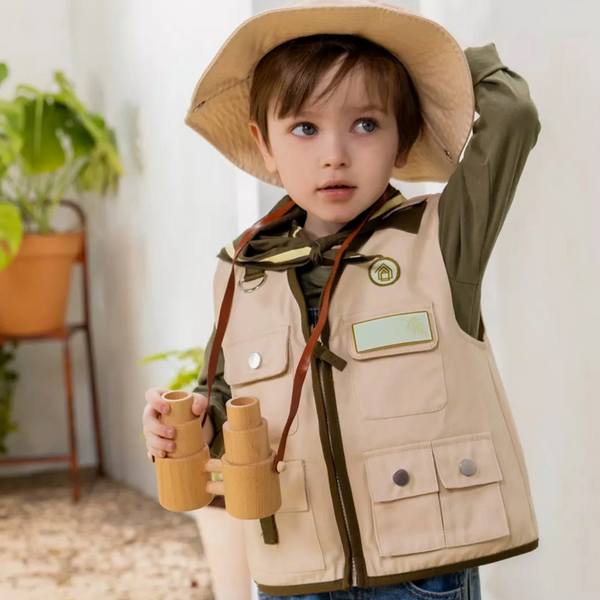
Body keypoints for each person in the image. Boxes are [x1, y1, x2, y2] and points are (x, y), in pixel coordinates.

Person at [142, 1, 541, 598]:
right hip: (297, 572)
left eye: (366, 124)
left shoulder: (441, 240)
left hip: (420, 574)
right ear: (264, 145)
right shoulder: (239, 273)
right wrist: (190, 427)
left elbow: (513, 116)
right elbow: (227, 415)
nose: (335, 153)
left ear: (402, 139)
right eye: (305, 128)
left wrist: (434, 63)